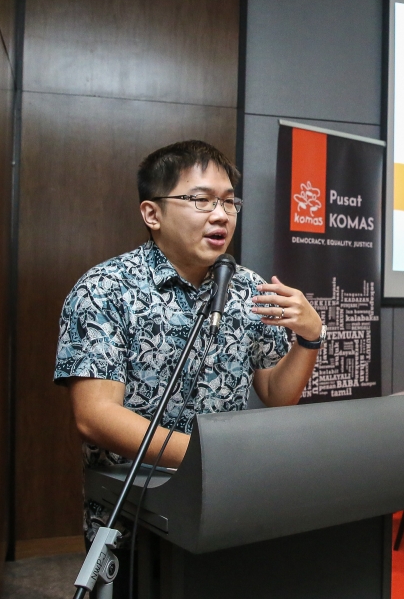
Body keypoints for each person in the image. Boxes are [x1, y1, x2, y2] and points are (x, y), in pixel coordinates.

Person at [54, 140, 324, 598]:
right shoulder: (104, 289)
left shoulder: (249, 288)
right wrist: (206, 456)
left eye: (228, 201)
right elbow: (94, 415)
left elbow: (277, 393)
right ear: (152, 214)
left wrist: (308, 339)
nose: (220, 215)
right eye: (200, 200)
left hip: (223, 502)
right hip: (134, 508)